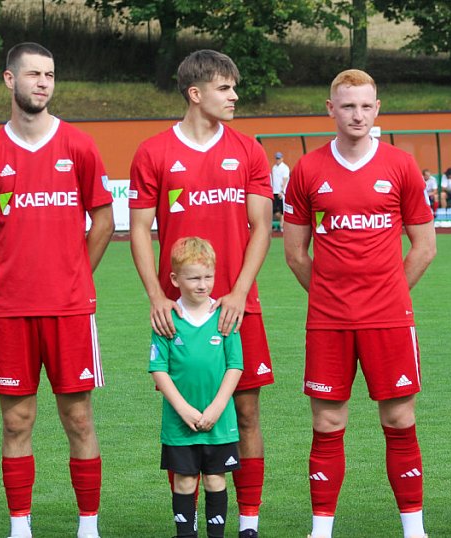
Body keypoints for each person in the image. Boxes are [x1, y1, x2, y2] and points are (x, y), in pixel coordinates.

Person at [0, 42, 114, 538]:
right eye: (33, 74)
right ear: (10, 80)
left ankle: (88, 526)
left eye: (49, 75)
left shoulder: (80, 145)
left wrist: (75, 273)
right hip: (11, 311)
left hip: (70, 308)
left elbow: (102, 220)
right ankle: (19, 527)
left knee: (79, 418)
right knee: (16, 421)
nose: (43, 83)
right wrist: (13, 273)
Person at [283, 69, 436, 538]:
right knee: (328, 422)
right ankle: (321, 530)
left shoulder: (401, 165)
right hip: (328, 321)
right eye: (348, 106)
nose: (358, 115)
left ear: (378, 108)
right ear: (331, 109)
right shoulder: (307, 169)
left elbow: (424, 246)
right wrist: (330, 296)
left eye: (366, 106)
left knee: (399, 418)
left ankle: (414, 530)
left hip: (389, 319)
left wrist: (389, 294)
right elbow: (295, 253)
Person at [129, 49, 274, 538]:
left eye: (235, 87)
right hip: (179, 312)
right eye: (224, 88)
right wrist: (156, 297)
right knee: (183, 414)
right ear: (195, 93)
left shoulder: (249, 151)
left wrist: (239, 292)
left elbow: (261, 227)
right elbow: (139, 230)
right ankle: (188, 528)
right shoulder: (153, 152)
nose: (234, 97)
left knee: (246, 412)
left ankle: (248, 524)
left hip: (237, 306)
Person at [149, 237, 244, 538]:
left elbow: (235, 365)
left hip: (219, 420)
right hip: (180, 421)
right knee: (185, 481)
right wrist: (184, 409)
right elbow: (158, 369)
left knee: (215, 479)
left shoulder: (224, 316)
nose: (202, 285)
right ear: (175, 279)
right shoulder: (166, 320)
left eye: (208, 277)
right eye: (193, 278)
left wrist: (216, 408)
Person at [270, 151, 290, 231]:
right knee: (275, 211)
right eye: (276, 158)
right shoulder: (274, 167)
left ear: (282, 158)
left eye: (279, 158)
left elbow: (285, 179)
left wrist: (282, 191)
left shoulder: (285, 168)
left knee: (282, 210)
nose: (277, 160)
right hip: (274, 191)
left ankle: (282, 227)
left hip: (281, 192)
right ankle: (282, 224)